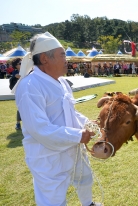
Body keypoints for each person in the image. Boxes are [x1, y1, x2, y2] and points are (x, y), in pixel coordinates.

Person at [13, 32, 101, 206]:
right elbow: (39, 128)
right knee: (53, 198)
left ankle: (88, 203)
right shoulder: (30, 86)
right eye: (62, 55)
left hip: (72, 147)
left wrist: (87, 123)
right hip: (48, 155)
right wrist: (77, 135)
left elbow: (70, 111)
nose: (66, 59)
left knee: (84, 177)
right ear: (45, 58)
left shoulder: (62, 82)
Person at [10, 58, 22, 129]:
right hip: (19, 93)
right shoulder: (15, 73)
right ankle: (18, 123)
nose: (22, 64)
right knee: (20, 108)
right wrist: (15, 77)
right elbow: (12, 84)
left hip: (29, 92)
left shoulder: (28, 71)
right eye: (20, 63)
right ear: (16, 66)